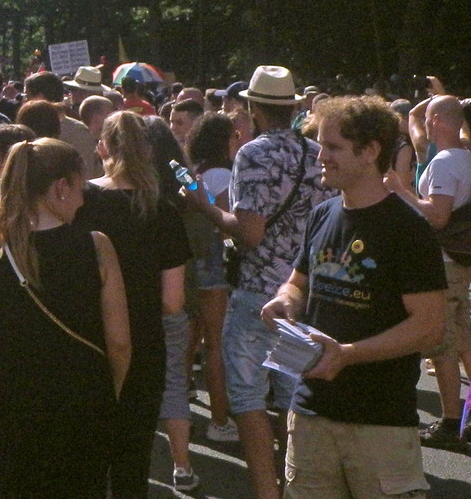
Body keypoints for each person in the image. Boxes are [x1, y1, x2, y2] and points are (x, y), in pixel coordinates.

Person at [262, 96, 445, 499]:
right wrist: (285, 301)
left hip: (379, 423)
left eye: (333, 147)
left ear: (370, 152)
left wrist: (347, 353)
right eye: (321, 145)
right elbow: (297, 283)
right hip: (310, 411)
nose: (320, 156)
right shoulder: (323, 214)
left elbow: (429, 326)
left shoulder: (408, 229)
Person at [183, 64, 335, 499]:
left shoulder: (254, 154)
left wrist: (205, 206)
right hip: (305, 290)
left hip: (257, 293)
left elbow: (249, 231)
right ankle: (297, 488)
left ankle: (268, 492)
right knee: (294, 401)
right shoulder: (314, 151)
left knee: (248, 400)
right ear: (291, 107)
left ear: (253, 108)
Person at [0, 138, 130, 499]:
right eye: (80, 187)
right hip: (80, 399)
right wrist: (108, 389)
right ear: (61, 187)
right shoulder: (96, 246)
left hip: (9, 401)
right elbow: (119, 341)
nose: (84, 197)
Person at [75, 110, 190, 498]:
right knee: (132, 460)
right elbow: (173, 301)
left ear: (102, 147)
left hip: (84, 339)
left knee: (85, 456)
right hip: (143, 342)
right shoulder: (163, 209)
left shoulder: (81, 202)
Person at [381, 92, 471, 447]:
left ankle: (450, 422)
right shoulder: (465, 156)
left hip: (444, 263)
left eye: (430, 119)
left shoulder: (446, 162)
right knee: (463, 338)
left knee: (443, 344)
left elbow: (437, 214)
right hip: (460, 261)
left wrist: (400, 190)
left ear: (437, 122)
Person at [183, 112, 240, 443]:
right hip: (215, 264)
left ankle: (179, 412)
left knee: (188, 344)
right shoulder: (226, 175)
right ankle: (220, 420)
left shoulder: (194, 173)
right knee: (215, 345)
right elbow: (226, 221)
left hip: (192, 263)